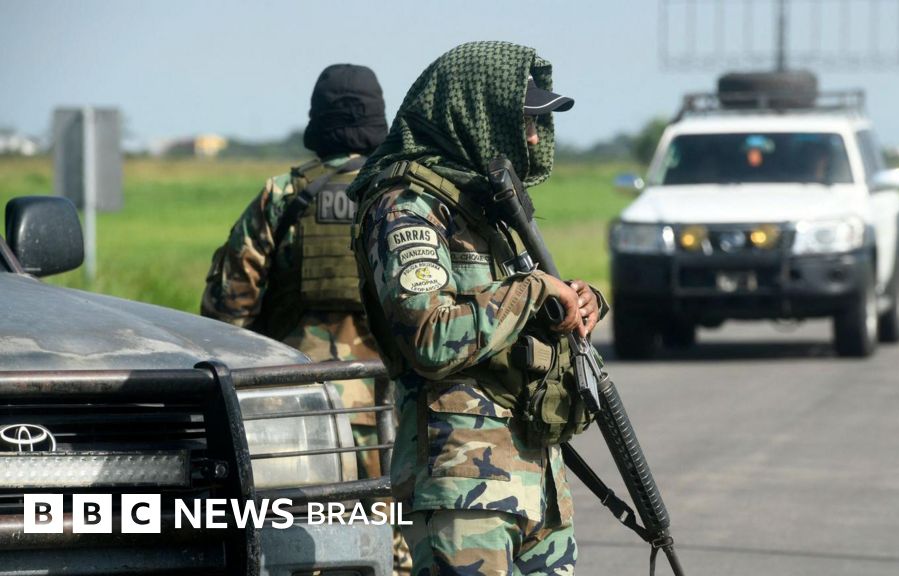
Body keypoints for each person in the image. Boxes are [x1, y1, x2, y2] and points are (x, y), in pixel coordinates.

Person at [346, 41, 608, 575]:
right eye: (524, 120)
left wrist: (578, 300)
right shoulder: (406, 206)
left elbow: (512, 310)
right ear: (477, 112)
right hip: (464, 486)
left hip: (538, 482)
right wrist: (534, 291)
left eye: (538, 124)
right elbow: (430, 336)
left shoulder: (484, 209)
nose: (533, 136)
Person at [200, 63, 411, 574]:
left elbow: (227, 309)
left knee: (302, 535)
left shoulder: (284, 194)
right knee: (397, 536)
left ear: (319, 119)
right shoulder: (404, 192)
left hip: (298, 403)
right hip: (393, 400)